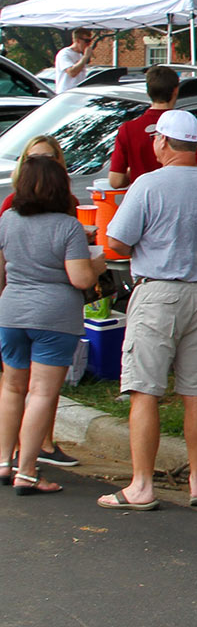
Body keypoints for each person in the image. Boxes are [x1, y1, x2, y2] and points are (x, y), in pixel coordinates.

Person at [96, 109, 197, 509]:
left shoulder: (147, 185)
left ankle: (141, 485)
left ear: (162, 141)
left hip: (158, 291)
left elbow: (119, 243)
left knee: (145, 389)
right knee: (196, 391)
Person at [0, 157, 104, 496]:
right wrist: (97, 265)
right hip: (55, 317)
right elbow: (80, 278)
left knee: (12, 387)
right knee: (41, 393)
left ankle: (4, 461)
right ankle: (27, 472)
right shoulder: (68, 226)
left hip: (12, 310)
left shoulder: (8, 220)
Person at [107, 66, 197, 187]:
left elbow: (115, 181)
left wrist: (134, 172)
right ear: (176, 90)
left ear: (148, 91)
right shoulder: (189, 127)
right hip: (181, 197)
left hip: (143, 198)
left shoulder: (128, 129)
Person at [53, 28, 94, 93]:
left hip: (78, 93)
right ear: (77, 41)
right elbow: (72, 72)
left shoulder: (80, 55)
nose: (88, 44)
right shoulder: (64, 54)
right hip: (66, 94)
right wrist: (85, 57)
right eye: (86, 41)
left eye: (90, 41)